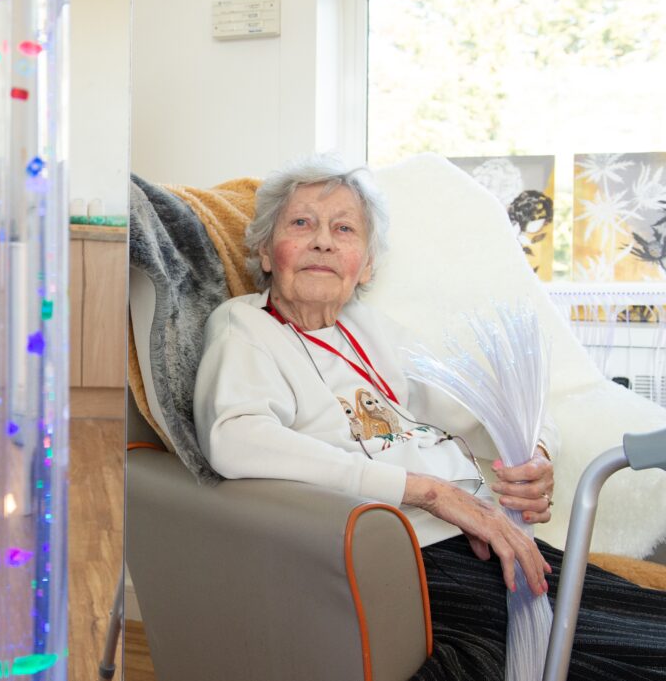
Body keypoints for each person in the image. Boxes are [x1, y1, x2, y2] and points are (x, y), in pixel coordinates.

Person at [193, 154, 666, 679]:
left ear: (366, 264)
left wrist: (536, 452)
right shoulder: (245, 326)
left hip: (485, 543)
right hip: (413, 558)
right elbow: (235, 438)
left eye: (344, 228)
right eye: (301, 223)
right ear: (264, 250)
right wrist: (431, 492)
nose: (323, 240)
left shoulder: (369, 328)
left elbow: (489, 401)